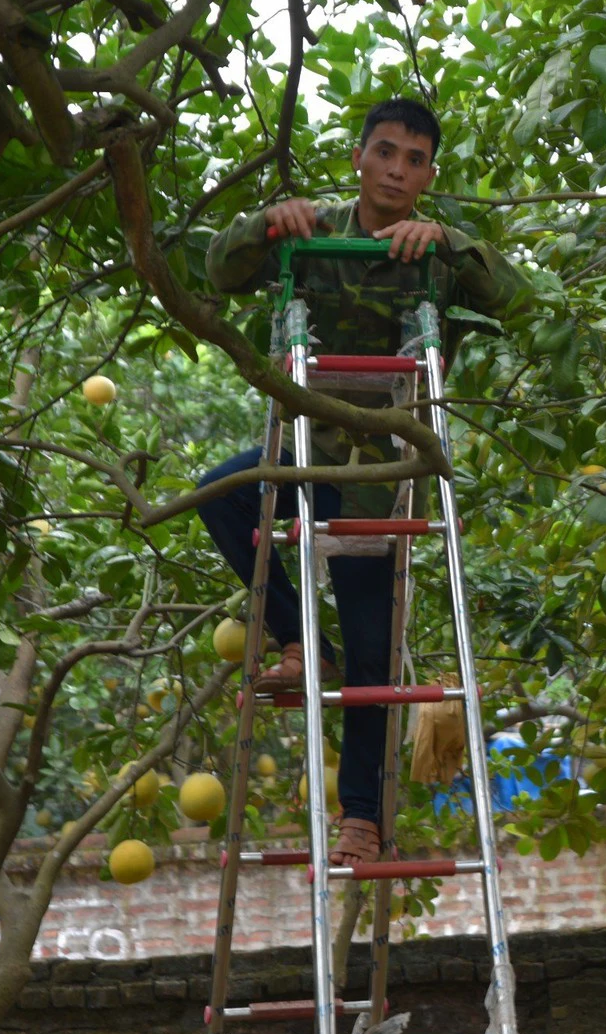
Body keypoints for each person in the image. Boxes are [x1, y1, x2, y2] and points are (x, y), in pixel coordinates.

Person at [196, 97, 526, 865]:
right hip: (308, 454)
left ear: (428, 174)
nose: (397, 171)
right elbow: (219, 268)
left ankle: (362, 819)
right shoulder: (316, 231)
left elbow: (517, 296)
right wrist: (267, 221)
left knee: (375, 655)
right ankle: (297, 638)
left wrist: (450, 238)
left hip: (384, 479)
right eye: (385, 153)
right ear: (359, 157)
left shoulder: (433, 249)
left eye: (414, 161)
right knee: (222, 493)